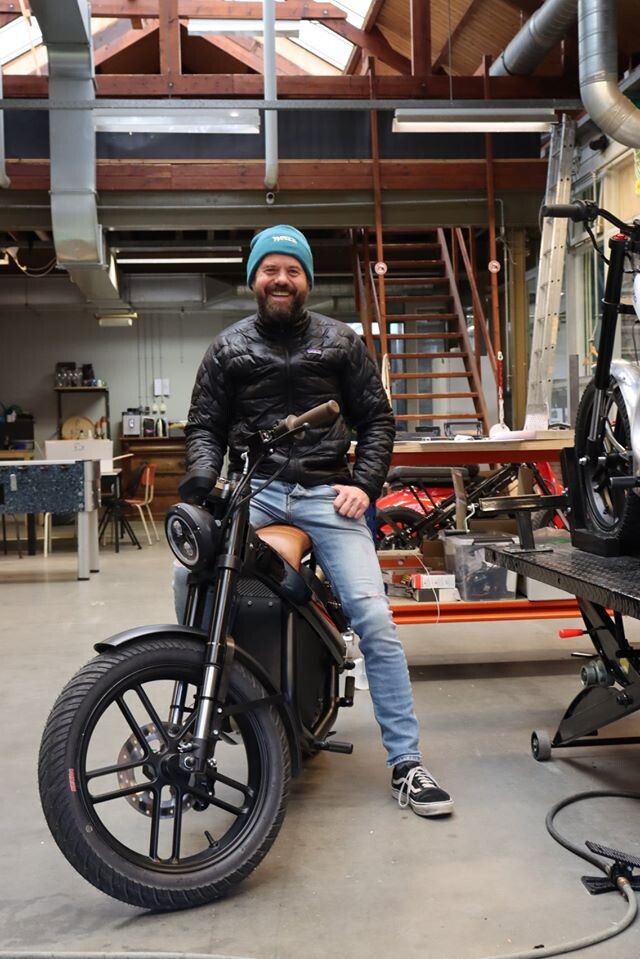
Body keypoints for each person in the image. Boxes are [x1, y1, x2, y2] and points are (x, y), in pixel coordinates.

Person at [176, 224, 454, 818]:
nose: (281, 279)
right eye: (270, 269)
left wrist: (363, 485)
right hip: (254, 490)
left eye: (292, 270)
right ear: (254, 279)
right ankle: (203, 716)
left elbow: (377, 420)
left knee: (374, 618)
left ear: (306, 280)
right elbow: (204, 426)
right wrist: (202, 483)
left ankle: (407, 763)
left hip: (328, 495)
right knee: (188, 578)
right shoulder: (227, 348)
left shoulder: (340, 341)